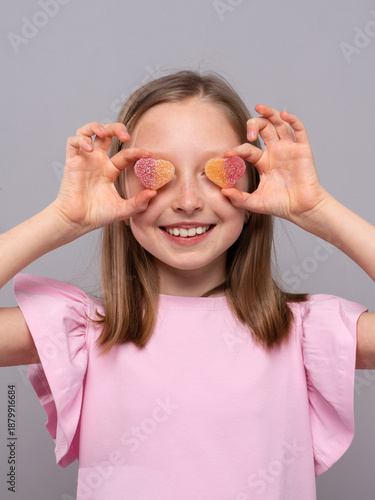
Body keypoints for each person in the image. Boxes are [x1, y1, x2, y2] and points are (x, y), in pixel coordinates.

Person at [0, 70, 374, 500]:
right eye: (156, 172)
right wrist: (62, 219)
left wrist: (318, 209)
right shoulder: (84, 331)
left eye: (218, 171)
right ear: (119, 187)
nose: (188, 201)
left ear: (255, 187)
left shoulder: (303, 333)